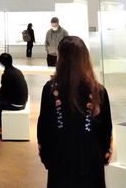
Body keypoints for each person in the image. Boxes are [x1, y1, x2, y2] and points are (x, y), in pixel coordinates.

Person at [37, 36, 113, 188]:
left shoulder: (50, 89)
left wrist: (46, 157)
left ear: (60, 58)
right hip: (91, 157)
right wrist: (104, 154)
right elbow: (106, 128)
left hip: (60, 156)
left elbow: (44, 127)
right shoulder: (98, 90)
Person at [0, 52, 28, 138]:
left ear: (1, 63)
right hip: (22, 102)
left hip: (15, 104)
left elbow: (3, 92)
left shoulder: (6, 74)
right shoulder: (17, 71)